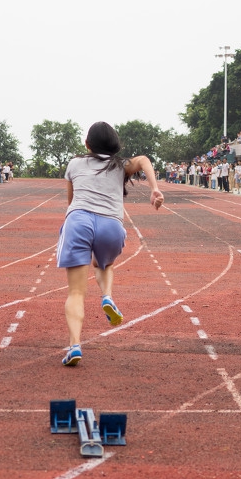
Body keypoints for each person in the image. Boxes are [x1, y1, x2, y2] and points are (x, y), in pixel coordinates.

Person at [57, 121, 163, 367]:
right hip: (111, 225)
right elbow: (144, 160)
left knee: (75, 292)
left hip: (79, 220)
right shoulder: (120, 165)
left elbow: (71, 201)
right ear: (115, 145)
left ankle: (74, 345)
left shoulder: (74, 164)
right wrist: (155, 189)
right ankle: (107, 296)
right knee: (104, 264)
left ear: (87, 145)